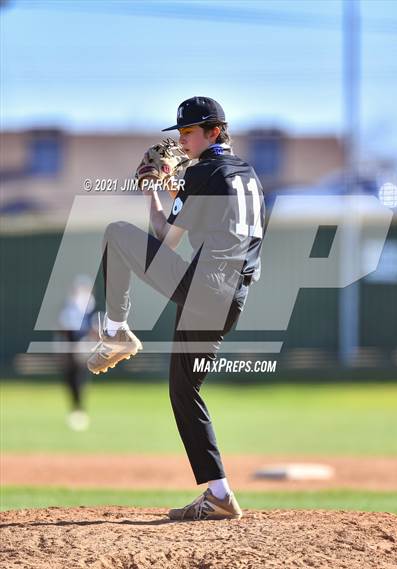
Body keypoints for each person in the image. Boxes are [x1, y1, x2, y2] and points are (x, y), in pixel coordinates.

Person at [87, 96, 265, 520]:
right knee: (184, 390)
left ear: (215, 132)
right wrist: (177, 187)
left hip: (205, 288)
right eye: (181, 133)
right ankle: (220, 495)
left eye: (189, 133)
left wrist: (153, 190)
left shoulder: (204, 171)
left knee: (116, 234)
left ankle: (116, 330)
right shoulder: (248, 174)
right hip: (231, 297)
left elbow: (167, 238)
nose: (182, 142)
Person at [58, 275, 96, 431]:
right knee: (71, 379)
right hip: (71, 347)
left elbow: (90, 327)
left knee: (79, 378)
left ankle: (79, 408)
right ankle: (76, 408)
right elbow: (66, 329)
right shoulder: (71, 306)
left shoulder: (88, 305)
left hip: (82, 346)